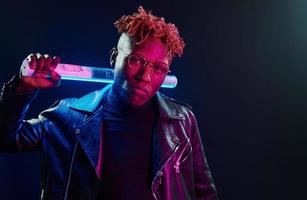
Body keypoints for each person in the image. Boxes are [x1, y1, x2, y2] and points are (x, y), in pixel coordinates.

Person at [0, 6, 218, 200]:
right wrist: (22, 88)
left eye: (158, 68)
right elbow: (5, 140)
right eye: (135, 60)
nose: (146, 76)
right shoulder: (67, 116)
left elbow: (204, 192)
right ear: (114, 57)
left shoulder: (182, 122)